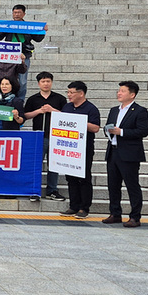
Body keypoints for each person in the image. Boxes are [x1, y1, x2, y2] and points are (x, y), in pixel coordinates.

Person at [103, 81, 148, 228]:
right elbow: (109, 127)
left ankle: (135, 217)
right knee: (113, 185)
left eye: (122, 91)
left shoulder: (139, 111)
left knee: (132, 185)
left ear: (132, 94)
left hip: (129, 154)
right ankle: (115, 213)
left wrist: (121, 132)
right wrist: (109, 131)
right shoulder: (114, 110)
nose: (119, 93)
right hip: (113, 151)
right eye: (119, 91)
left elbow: (143, 131)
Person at [57, 81, 101, 219]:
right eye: (68, 92)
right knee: (70, 177)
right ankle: (73, 206)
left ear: (81, 93)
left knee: (83, 177)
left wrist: (78, 122)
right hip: (69, 147)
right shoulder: (67, 107)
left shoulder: (91, 108)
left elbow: (95, 128)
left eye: (71, 92)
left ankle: (84, 207)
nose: (69, 95)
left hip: (84, 148)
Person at [23, 71, 67, 202]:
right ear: (38, 83)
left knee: (54, 165)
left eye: (48, 81)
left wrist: (52, 110)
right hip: (38, 136)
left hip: (55, 136)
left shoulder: (59, 98)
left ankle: (52, 190)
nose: (46, 84)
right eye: (43, 81)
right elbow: (25, 115)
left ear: (51, 82)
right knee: (36, 164)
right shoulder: (33, 99)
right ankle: (34, 190)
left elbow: (66, 115)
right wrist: (39, 111)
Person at [0, 4, 47, 98]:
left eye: (19, 13)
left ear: (24, 14)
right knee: (7, 79)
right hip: (9, 56)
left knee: (22, 81)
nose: (16, 14)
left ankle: (20, 100)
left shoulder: (28, 26)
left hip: (23, 56)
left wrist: (43, 31)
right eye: (15, 12)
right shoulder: (8, 26)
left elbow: (38, 38)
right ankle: (7, 98)